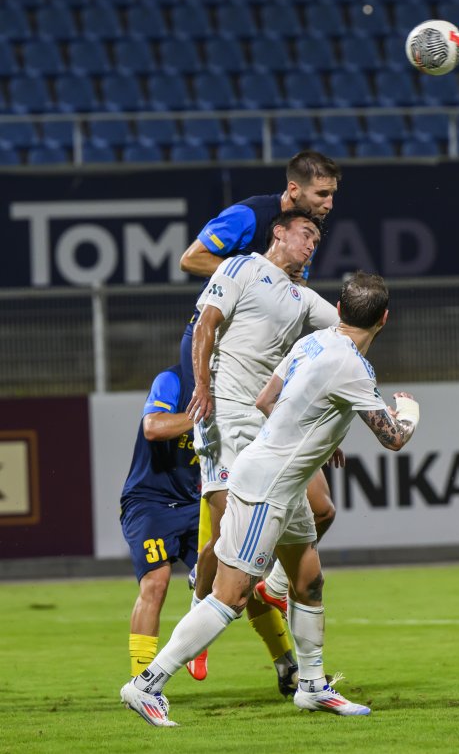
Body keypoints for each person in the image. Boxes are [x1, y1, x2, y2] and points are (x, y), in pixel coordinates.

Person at [121, 271, 419, 726]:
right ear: (384, 318)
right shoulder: (353, 367)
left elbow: (265, 400)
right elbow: (394, 438)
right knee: (230, 597)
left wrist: (318, 431)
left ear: (338, 311)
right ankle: (147, 684)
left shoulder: (312, 343)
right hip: (266, 490)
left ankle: (313, 687)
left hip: (284, 484)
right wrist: (411, 411)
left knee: (309, 582)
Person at [179, 151, 342, 685]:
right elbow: (192, 260)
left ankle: (274, 611)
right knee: (230, 537)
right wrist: (250, 277)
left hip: (269, 387)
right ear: (292, 193)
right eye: (321, 196)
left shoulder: (303, 245)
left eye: (332, 196)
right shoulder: (250, 221)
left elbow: (317, 330)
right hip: (222, 369)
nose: (329, 205)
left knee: (319, 510)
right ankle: (201, 609)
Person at [120, 365, 200, 679]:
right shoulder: (173, 381)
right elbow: (152, 427)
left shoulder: (236, 383)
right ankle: (141, 684)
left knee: (233, 584)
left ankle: (198, 640)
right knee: (156, 583)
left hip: (195, 503)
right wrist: (204, 413)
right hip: (149, 501)